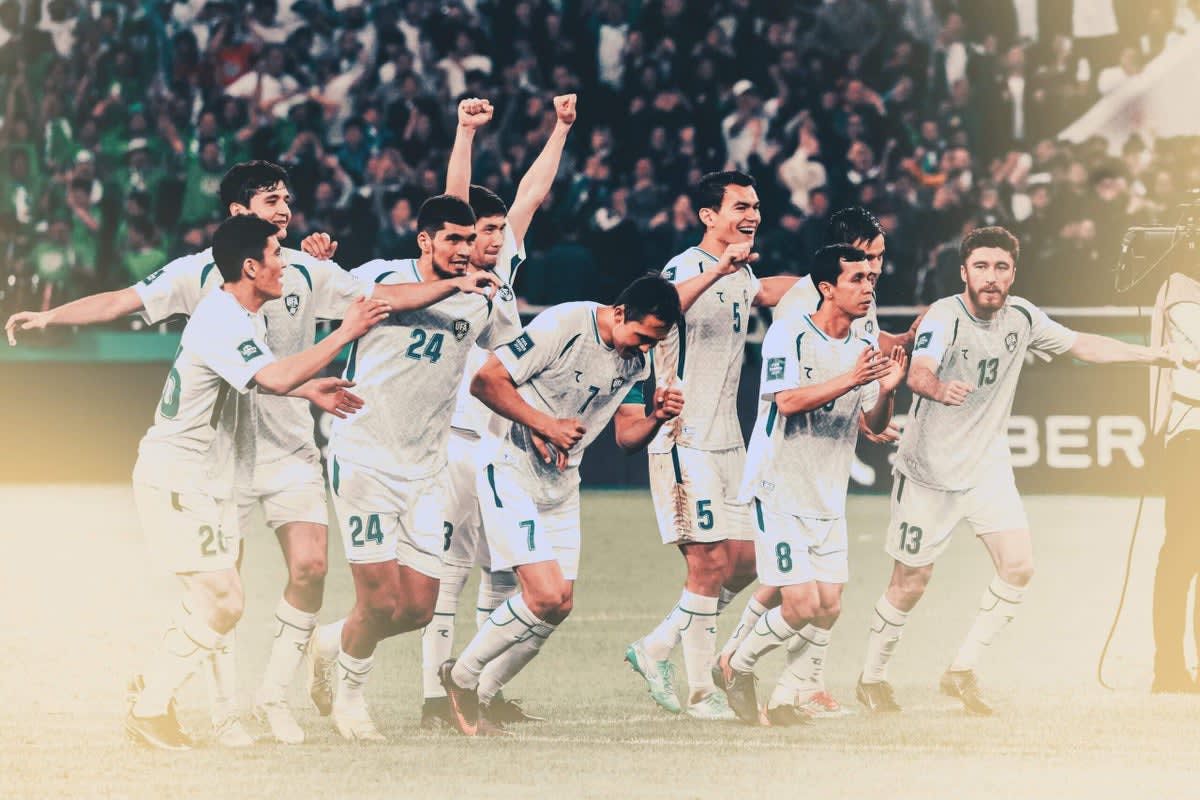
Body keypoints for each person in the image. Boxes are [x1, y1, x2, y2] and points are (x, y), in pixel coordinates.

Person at [6, 161, 494, 745]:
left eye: (287, 198)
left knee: (302, 572)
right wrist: (51, 315)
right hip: (212, 461)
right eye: (271, 200)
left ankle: (265, 699)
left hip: (285, 448)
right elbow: (130, 303)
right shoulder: (207, 289)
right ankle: (213, 708)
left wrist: (445, 284)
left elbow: (375, 299)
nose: (285, 211)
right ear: (242, 222)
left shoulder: (294, 275)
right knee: (222, 594)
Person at [856, 226, 1187, 716]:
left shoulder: (1023, 316)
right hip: (929, 472)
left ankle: (961, 671)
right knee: (910, 583)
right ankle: (871, 677)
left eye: (1001, 267)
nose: (991, 277)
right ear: (964, 272)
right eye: (981, 267)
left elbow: (1082, 345)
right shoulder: (945, 315)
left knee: (1018, 567)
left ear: (1013, 273)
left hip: (987, 469)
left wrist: (1153, 355)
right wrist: (937, 387)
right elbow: (920, 368)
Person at [124, 214, 387, 750]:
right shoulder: (223, 318)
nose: (284, 265)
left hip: (201, 476)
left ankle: (151, 691)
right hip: (178, 474)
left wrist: (306, 390)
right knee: (223, 602)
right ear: (250, 266)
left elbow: (262, 379)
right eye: (276, 255)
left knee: (215, 599)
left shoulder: (240, 315)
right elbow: (272, 375)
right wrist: (346, 330)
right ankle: (149, 705)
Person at [440, 275, 685, 736]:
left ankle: (485, 697)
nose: (644, 349)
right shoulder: (564, 324)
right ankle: (461, 679)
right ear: (619, 313)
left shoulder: (637, 362)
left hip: (562, 484)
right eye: (641, 337)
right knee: (544, 594)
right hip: (509, 466)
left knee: (559, 606)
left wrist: (656, 417)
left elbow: (627, 437)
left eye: (654, 342)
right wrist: (545, 424)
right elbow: (485, 381)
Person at [306, 194, 505, 743]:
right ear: (425, 241)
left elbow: (514, 350)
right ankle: (351, 704)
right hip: (364, 458)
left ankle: (328, 641)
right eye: (453, 239)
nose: (464, 249)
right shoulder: (384, 275)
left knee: (418, 608)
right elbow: (376, 298)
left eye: (470, 240)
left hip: (426, 471)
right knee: (378, 600)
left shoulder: (482, 299)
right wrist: (318, 259)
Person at [714, 206, 917, 717]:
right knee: (800, 603)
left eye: (872, 277)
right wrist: (852, 379)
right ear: (827, 288)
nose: (869, 286)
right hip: (779, 488)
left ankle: (787, 697)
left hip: (826, 493)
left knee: (828, 607)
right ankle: (736, 663)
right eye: (858, 279)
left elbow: (870, 420)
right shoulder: (791, 333)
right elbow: (786, 402)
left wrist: (888, 391)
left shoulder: (865, 342)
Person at [421, 94, 578, 728]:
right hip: (456, 437)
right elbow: (453, 197)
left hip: (501, 442)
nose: (491, 239)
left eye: (495, 230)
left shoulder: (505, 264)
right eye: (481, 230)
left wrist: (560, 129)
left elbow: (532, 194)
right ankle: (435, 698)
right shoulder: (452, 269)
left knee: (505, 572)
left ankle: (482, 689)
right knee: (450, 571)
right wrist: (464, 132)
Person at [624, 170, 800, 720]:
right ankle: (703, 693)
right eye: (740, 207)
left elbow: (765, 290)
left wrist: (827, 281)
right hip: (684, 438)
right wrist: (720, 269)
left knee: (747, 562)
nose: (752, 215)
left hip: (729, 442)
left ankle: (657, 646)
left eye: (755, 207)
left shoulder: (741, 272)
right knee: (708, 562)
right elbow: (662, 307)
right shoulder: (685, 267)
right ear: (708, 216)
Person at [1149, 271, 1200, 694]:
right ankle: (1168, 668)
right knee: (1182, 552)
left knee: (1179, 555)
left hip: (1186, 432)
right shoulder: (1179, 289)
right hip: (1189, 431)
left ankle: (1171, 668)